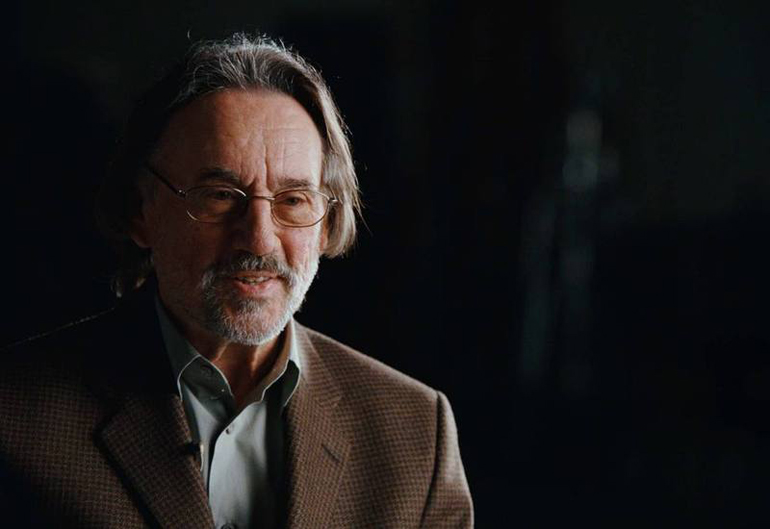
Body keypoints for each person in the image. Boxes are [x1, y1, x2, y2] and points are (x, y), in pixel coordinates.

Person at [0, 34, 473, 528]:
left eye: (293, 200)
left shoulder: (418, 433)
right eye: (220, 195)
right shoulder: (14, 417)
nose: (259, 240)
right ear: (140, 211)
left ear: (327, 223)